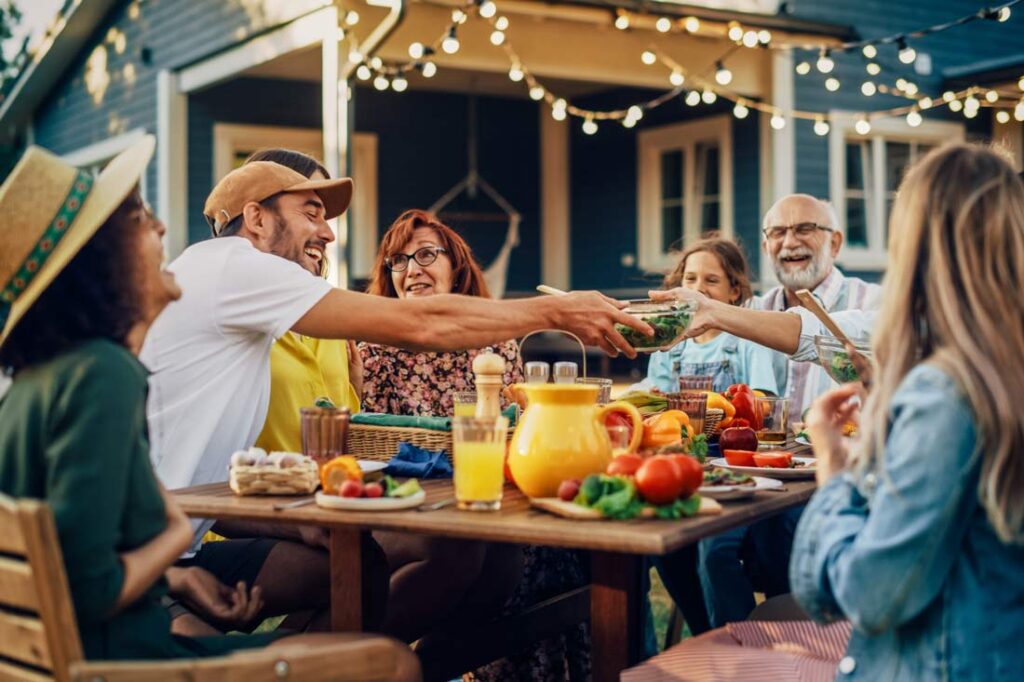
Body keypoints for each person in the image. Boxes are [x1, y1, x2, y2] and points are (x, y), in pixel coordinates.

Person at [0, 138, 420, 680]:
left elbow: (69, 554)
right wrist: (174, 544)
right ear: (99, 259)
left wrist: (176, 577)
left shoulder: (39, 381)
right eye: (138, 221)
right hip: (128, 657)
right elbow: (90, 585)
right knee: (393, 663)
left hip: (99, 640)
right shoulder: (104, 375)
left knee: (354, 574)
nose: (161, 231)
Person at [140, 160, 647, 554]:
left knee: (448, 558)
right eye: (311, 214)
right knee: (406, 573)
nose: (329, 233)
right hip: (162, 549)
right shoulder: (238, 268)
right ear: (255, 217)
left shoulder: (211, 273)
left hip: (185, 525)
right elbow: (421, 325)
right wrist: (557, 311)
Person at [792, 143, 1024, 679]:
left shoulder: (949, 394)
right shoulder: (998, 375)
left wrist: (837, 475)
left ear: (917, 249)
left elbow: (871, 594)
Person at [361, 210, 585, 681]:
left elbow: (523, 431)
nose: (411, 269)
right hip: (420, 507)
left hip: (493, 496)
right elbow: (378, 450)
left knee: (561, 547)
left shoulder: (495, 340)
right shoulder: (374, 350)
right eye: (397, 261)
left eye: (425, 255)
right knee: (483, 556)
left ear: (456, 266)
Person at [635, 235, 779, 395]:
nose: (698, 288)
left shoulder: (750, 341)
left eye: (711, 280)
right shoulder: (669, 342)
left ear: (734, 291)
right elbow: (656, 396)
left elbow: (766, 399)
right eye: (690, 278)